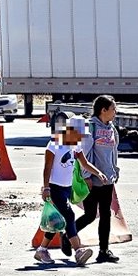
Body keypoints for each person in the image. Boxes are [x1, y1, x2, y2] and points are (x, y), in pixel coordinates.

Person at [34, 114, 106, 266]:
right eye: (78, 133)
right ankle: (78, 250)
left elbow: (84, 163)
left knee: (56, 221)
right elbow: (47, 168)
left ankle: (42, 250)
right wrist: (46, 188)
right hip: (54, 188)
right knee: (69, 215)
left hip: (66, 188)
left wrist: (98, 173)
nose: (80, 137)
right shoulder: (53, 145)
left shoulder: (75, 145)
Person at [77, 95, 121, 263]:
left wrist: (115, 171)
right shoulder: (90, 127)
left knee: (105, 214)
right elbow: (83, 155)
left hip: (107, 180)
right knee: (89, 215)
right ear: (103, 110)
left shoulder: (112, 129)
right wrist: (87, 176)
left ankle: (104, 250)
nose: (115, 113)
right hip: (93, 180)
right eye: (113, 109)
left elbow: (114, 152)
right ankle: (68, 236)